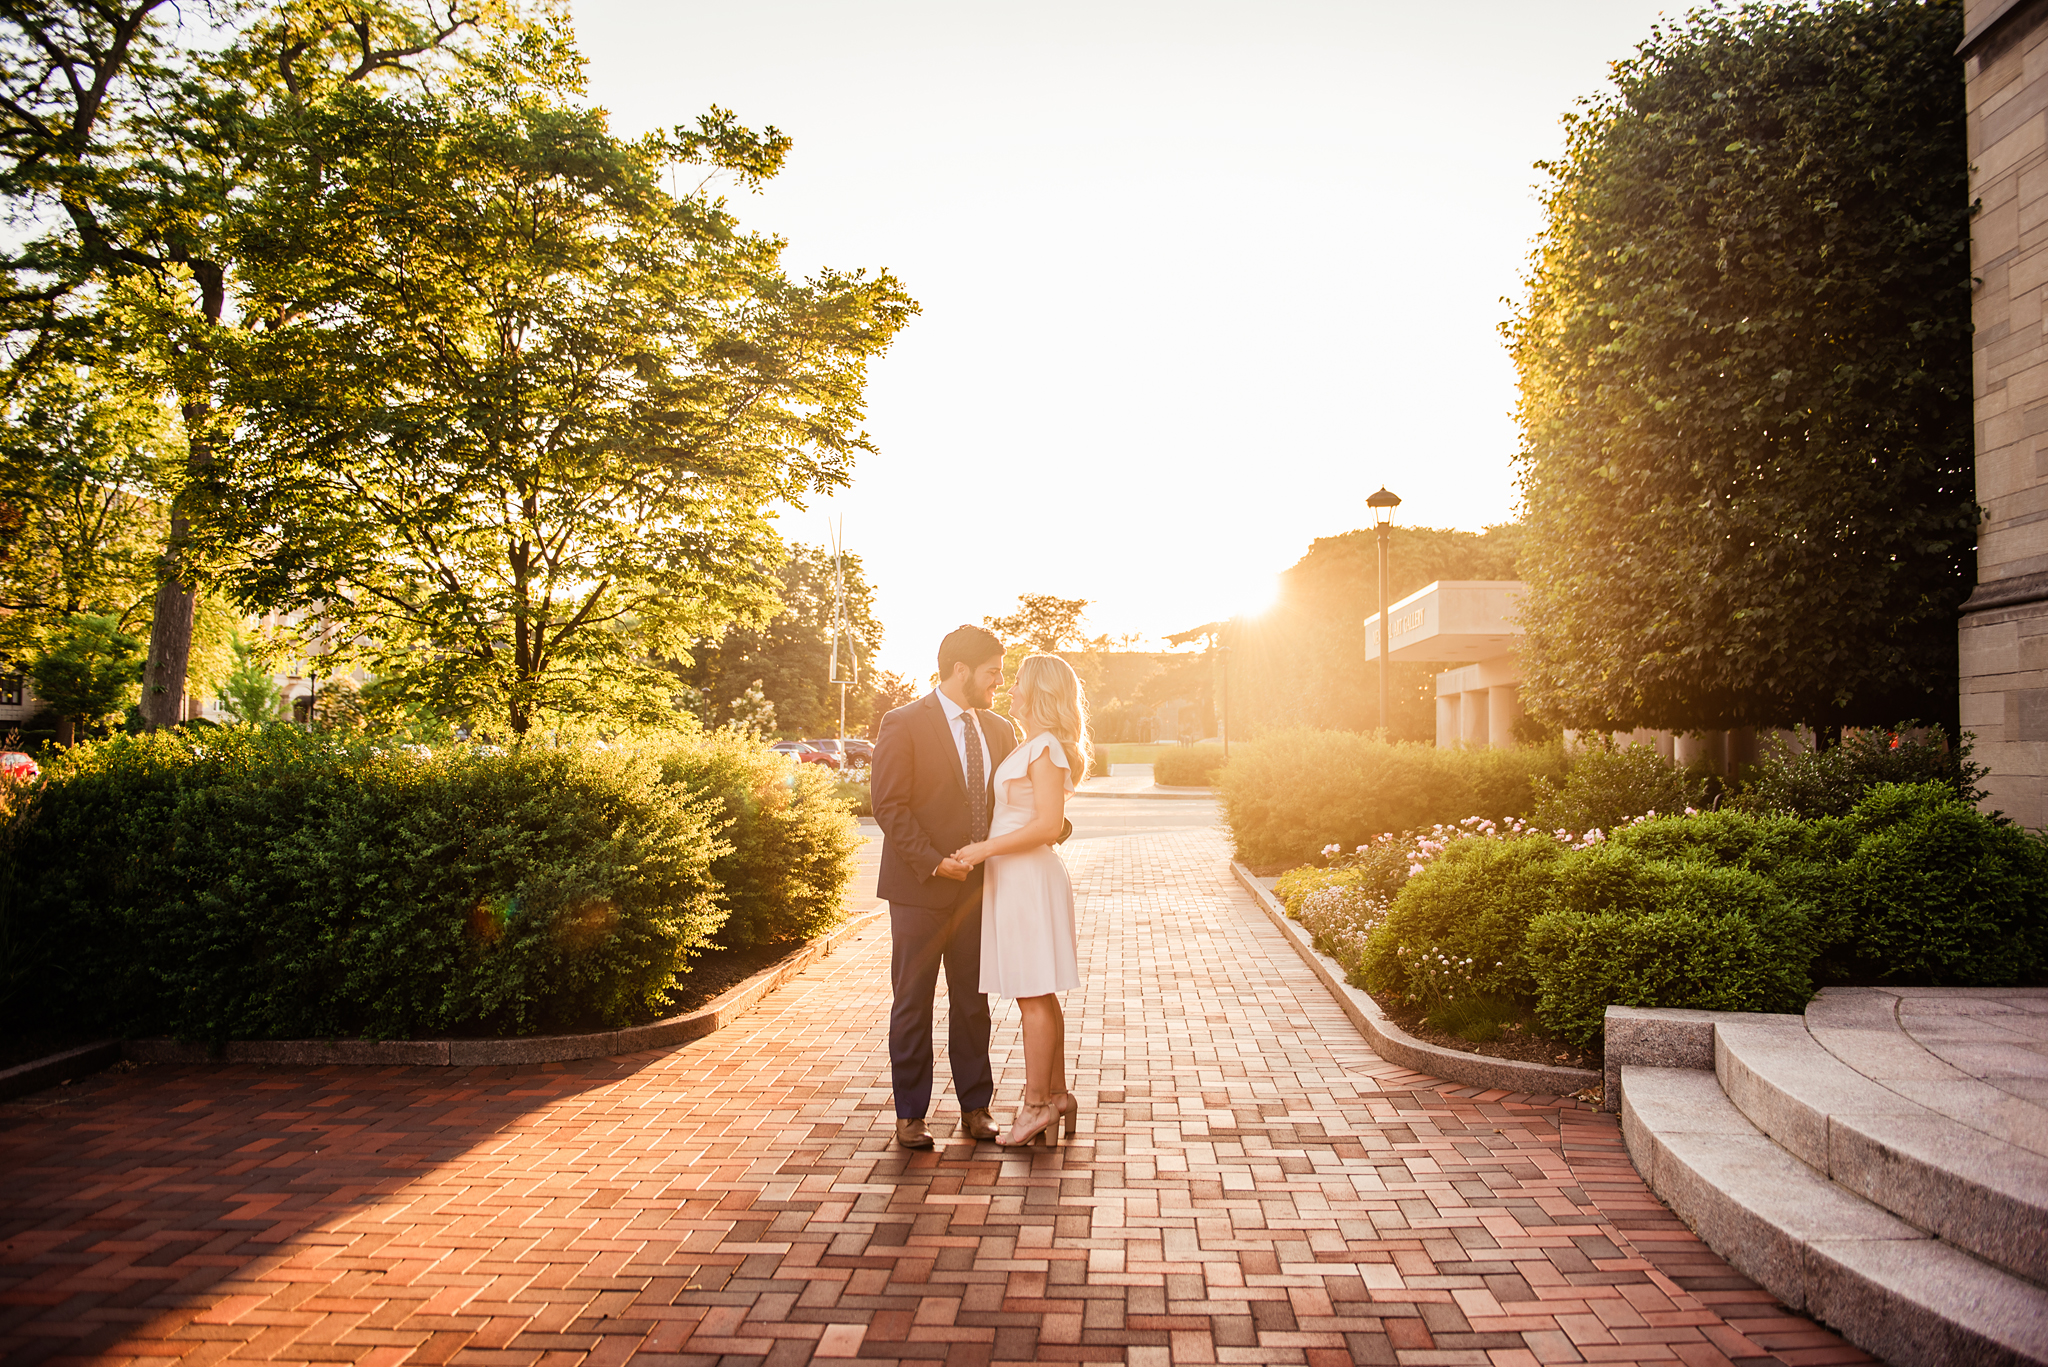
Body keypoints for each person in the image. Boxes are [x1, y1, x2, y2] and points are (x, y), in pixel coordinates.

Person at [869, 625, 1013, 1149]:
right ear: (960, 670)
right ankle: (911, 1114)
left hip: (977, 891)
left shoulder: (1000, 730)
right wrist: (933, 863)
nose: (998, 681)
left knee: (974, 1004)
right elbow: (889, 805)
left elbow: (1011, 806)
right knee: (913, 1002)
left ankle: (977, 1107)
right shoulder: (903, 723)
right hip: (917, 891)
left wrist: (1052, 824)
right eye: (992, 671)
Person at [950, 653, 1091, 1147]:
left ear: (1038, 693)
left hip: (1029, 880)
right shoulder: (1033, 745)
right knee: (1039, 992)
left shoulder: (1047, 748)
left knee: (1033, 994)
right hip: (1014, 880)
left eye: (1018, 686)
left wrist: (984, 848)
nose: (1008, 691)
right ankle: (1056, 1095)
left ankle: (1035, 1105)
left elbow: (1049, 825)